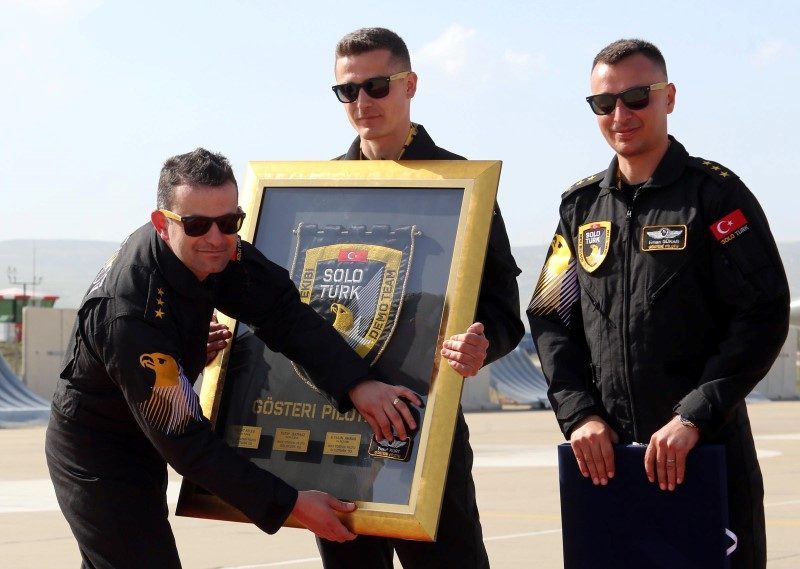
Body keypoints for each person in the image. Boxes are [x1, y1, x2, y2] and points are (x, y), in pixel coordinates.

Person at [45, 148, 422, 569]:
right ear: (162, 224)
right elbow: (186, 440)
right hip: (101, 448)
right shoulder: (131, 315)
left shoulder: (217, 251)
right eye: (196, 225)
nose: (215, 238)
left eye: (229, 222)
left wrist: (356, 383)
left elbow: (284, 314)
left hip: (148, 428)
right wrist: (290, 503)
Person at [527, 38, 789, 569]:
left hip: (704, 454)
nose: (620, 115)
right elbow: (552, 317)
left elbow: (762, 313)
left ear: (668, 97)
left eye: (636, 98)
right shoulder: (580, 208)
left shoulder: (714, 196)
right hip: (609, 463)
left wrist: (693, 416)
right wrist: (579, 415)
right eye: (604, 103)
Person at [310, 27, 524, 569]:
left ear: (410, 85)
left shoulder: (463, 186)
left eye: (377, 86)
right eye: (347, 90)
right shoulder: (316, 192)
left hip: (429, 432)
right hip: (336, 433)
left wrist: (481, 345)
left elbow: (503, 312)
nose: (362, 101)